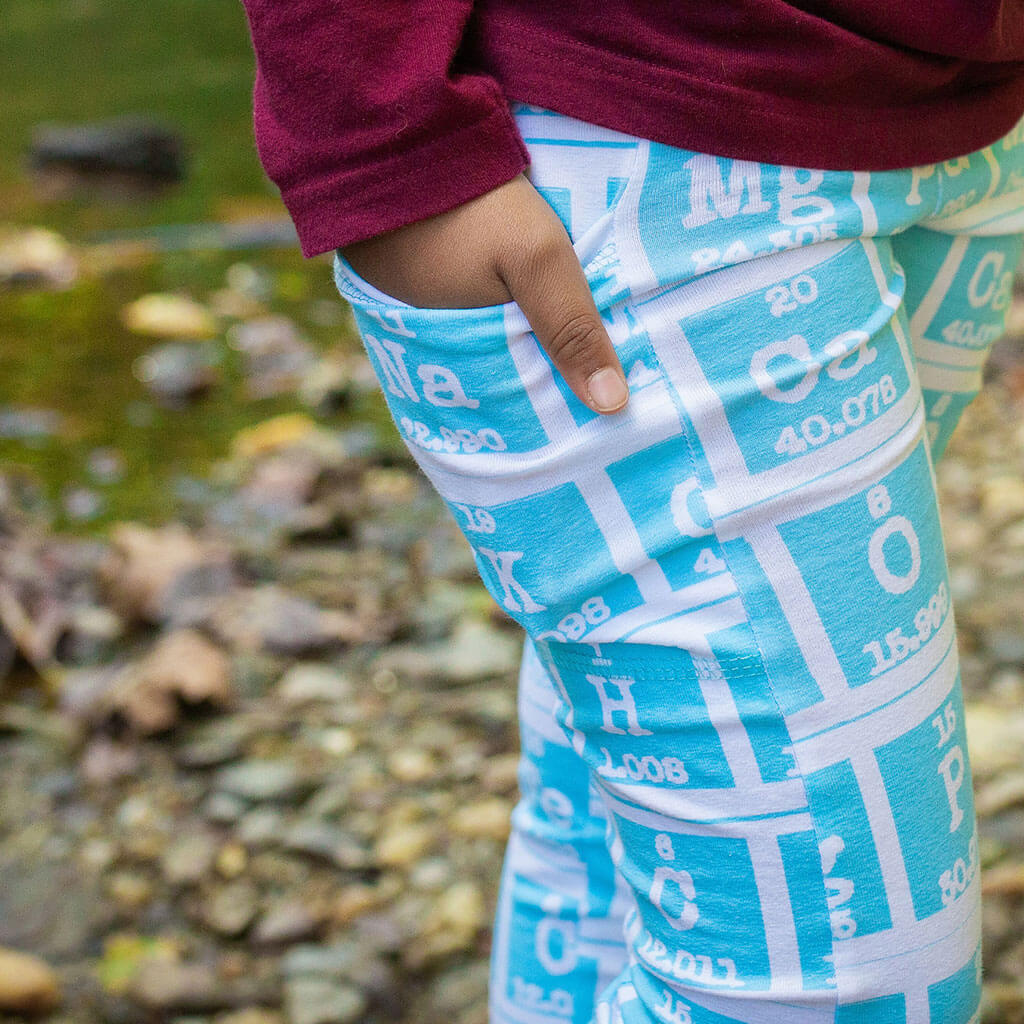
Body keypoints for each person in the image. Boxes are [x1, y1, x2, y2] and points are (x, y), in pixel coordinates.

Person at [238, 5, 1024, 1021]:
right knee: (835, 995)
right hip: (641, 142)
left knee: (606, 839)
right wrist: (384, 137)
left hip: (958, 121)